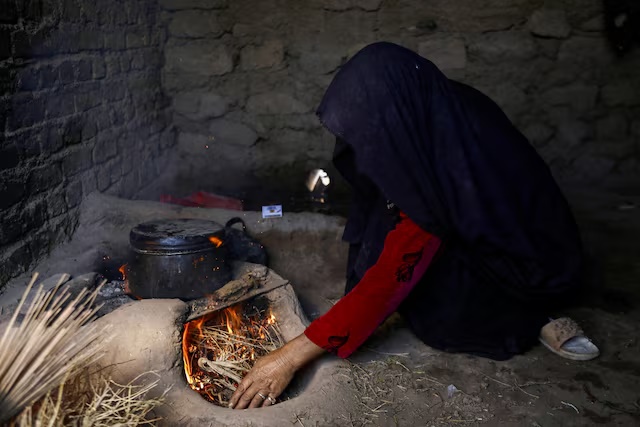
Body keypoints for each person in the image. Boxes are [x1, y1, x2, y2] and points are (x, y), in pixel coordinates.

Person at [229, 42, 595, 410]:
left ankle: (537, 316)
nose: (363, 144)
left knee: (447, 314)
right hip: (461, 219)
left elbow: (397, 266)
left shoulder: (453, 155)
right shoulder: (419, 115)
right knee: (382, 212)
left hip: (523, 254)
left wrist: (289, 357)